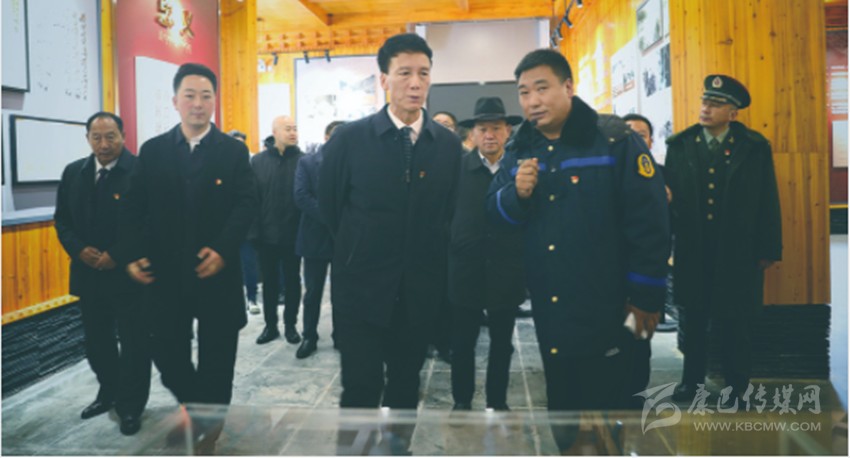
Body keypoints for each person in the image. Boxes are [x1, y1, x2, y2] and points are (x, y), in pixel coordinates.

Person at [486, 49, 669, 452]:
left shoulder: (615, 140)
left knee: (617, 407)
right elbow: (494, 212)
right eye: (524, 92)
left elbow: (651, 223)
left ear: (568, 86)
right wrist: (516, 195)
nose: (532, 101)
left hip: (615, 305)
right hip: (552, 306)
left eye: (542, 88)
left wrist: (646, 297)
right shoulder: (519, 146)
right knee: (566, 411)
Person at [319, 33, 462, 410]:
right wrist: (360, 247)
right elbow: (331, 208)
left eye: (423, 73)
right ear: (383, 79)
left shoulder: (447, 145)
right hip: (360, 289)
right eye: (404, 73)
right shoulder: (349, 140)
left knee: (405, 388)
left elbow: (448, 212)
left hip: (418, 291)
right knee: (360, 390)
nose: (415, 83)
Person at [112, 63, 257, 414]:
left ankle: (211, 425)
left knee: (218, 357)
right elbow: (132, 206)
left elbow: (247, 203)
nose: (198, 104)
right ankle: (196, 406)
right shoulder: (153, 151)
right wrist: (132, 254)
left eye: (206, 96)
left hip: (216, 272)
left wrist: (223, 248)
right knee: (167, 352)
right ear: (175, 101)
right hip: (165, 274)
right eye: (189, 96)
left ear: (214, 101)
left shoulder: (233, 151)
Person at [665, 75, 782, 405]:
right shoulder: (680, 145)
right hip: (693, 249)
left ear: (733, 113)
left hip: (738, 251)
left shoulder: (754, 147)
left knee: (736, 323)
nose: (706, 108)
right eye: (704, 102)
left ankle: (737, 388)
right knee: (693, 321)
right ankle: (691, 384)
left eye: (715, 104)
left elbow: (768, 200)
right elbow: (669, 201)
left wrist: (768, 248)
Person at [54, 112, 151, 436]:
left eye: (111, 136)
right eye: (96, 137)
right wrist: (79, 250)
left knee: (135, 344)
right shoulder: (74, 172)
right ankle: (108, 392)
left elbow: (150, 223)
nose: (104, 144)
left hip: (128, 275)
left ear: (123, 136)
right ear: (88, 139)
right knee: (97, 344)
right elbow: (62, 221)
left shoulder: (140, 172)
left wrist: (117, 255)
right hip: (89, 273)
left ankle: (131, 405)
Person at [449, 97, 525, 411]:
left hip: (506, 271)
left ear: (508, 131)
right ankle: (461, 400)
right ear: (473, 134)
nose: (490, 135)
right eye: (483, 129)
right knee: (462, 343)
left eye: (496, 128)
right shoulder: (456, 170)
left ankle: (497, 401)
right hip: (465, 270)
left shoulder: (519, 169)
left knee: (502, 344)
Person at [250, 116, 305, 345]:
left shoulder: (303, 160)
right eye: (288, 129)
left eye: (295, 129)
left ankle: (291, 325)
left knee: (293, 281)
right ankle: (270, 325)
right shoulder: (258, 162)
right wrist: (254, 233)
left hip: (294, 234)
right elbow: (252, 200)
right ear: (275, 132)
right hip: (266, 235)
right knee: (270, 283)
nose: (293, 133)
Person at [293, 120, 345, 359]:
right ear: (326, 137)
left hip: (343, 237)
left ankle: (341, 335)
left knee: (341, 292)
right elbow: (301, 196)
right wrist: (330, 217)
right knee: (313, 291)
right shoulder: (307, 162)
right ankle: (309, 336)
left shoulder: (351, 163)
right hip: (314, 235)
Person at [228, 129, 261, 315]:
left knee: (249, 264)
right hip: (226, 227)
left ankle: (251, 297)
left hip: (247, 227)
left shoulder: (252, 164)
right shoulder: (221, 164)